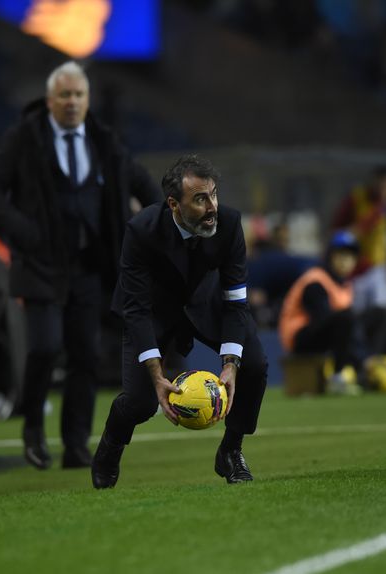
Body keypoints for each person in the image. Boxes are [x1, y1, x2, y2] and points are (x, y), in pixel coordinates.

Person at [0, 61, 159, 470]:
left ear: (88, 100)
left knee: (85, 355)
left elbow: (139, 180)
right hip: (40, 263)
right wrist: (22, 231)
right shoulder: (25, 137)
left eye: (78, 95)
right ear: (49, 100)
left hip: (88, 265)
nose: (72, 102)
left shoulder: (102, 139)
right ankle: (33, 429)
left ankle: (75, 444)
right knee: (44, 347)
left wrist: (163, 218)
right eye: (65, 95)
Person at [91, 154, 268, 489]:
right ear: (174, 204)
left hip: (206, 305)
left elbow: (236, 302)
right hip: (152, 311)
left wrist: (230, 363)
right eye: (200, 199)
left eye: (214, 194)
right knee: (141, 403)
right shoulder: (141, 230)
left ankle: (231, 451)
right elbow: (136, 309)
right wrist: (157, 374)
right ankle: (111, 445)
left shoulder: (230, 223)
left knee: (254, 364)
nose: (212, 207)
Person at [278, 231, 359, 394]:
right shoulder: (315, 281)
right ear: (330, 256)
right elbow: (323, 318)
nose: (345, 261)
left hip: (318, 332)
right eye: (341, 255)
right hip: (299, 338)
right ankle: (338, 377)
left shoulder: (344, 284)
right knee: (345, 319)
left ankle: (364, 366)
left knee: (372, 316)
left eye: (350, 256)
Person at [332, 166, 386, 358]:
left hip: (379, 268)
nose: (384, 189)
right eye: (381, 184)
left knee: (382, 312)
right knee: (356, 315)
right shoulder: (357, 198)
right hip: (356, 268)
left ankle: (374, 356)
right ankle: (355, 356)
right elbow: (341, 229)